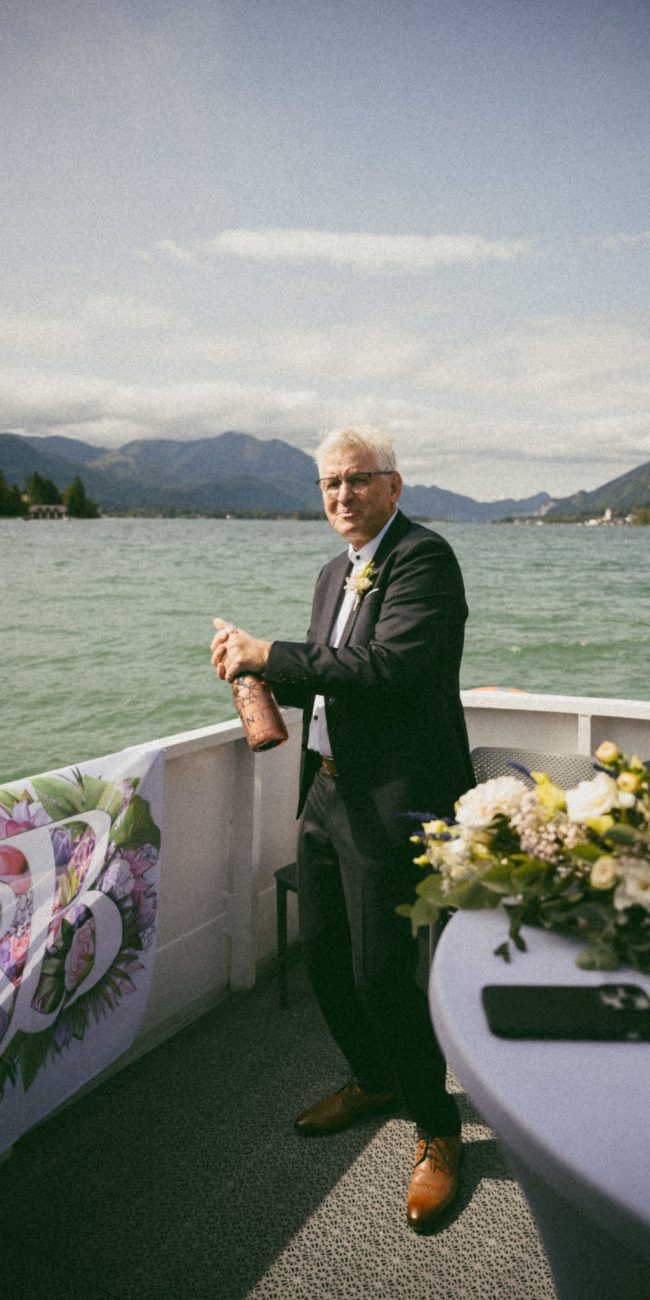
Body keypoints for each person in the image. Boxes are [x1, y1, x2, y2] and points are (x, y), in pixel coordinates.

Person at [210, 426, 475, 1232]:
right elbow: (331, 682)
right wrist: (253, 671)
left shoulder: (425, 559)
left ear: (394, 485)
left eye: (358, 481)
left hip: (392, 800)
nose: (342, 497)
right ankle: (376, 1078)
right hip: (325, 792)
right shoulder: (333, 571)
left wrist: (272, 653)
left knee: (379, 974)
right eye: (330, 484)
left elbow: (387, 670)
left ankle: (438, 1128)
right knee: (323, 958)